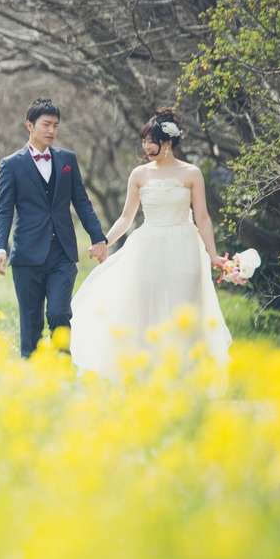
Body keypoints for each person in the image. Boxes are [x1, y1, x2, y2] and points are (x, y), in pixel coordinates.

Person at [69, 107, 232, 380]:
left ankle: (185, 376)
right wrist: (104, 242)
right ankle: (148, 374)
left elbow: (202, 218)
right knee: (147, 308)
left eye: (150, 141)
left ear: (167, 142)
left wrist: (213, 255)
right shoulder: (140, 175)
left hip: (184, 246)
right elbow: (126, 217)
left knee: (185, 308)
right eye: (144, 141)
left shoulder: (191, 173)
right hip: (148, 246)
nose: (146, 146)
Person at [0, 98, 109, 358]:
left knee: (59, 313)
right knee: (31, 323)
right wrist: (0, 247)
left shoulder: (67, 159)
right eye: (46, 124)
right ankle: (33, 378)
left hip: (62, 253)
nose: (51, 131)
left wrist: (98, 238)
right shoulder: (11, 164)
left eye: (56, 125)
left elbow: (81, 201)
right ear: (29, 125)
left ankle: (61, 369)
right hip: (26, 256)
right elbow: (3, 210)